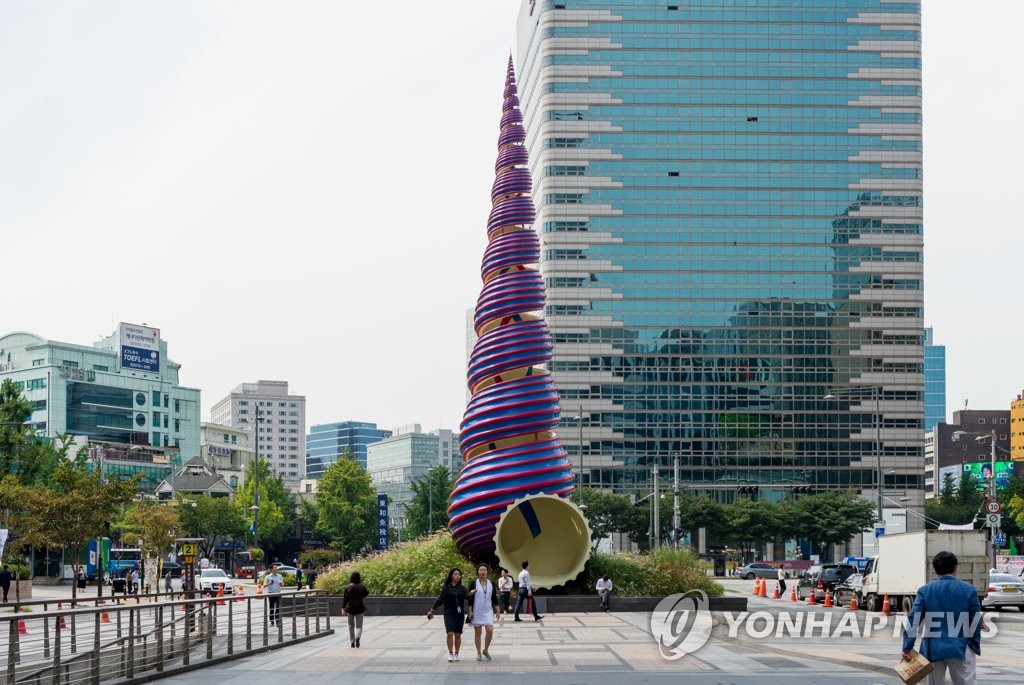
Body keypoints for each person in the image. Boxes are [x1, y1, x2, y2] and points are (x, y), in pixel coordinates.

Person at [901, 551, 982, 684]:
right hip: (961, 647)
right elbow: (975, 621)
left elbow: (913, 620)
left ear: (934, 569)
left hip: (933, 649)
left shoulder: (924, 591)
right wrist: (973, 645)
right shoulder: (969, 590)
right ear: (955, 568)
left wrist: (907, 647)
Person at [427, 567, 469, 662]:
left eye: (459, 574)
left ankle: (456, 654)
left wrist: (471, 594)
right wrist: (432, 610)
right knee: (450, 633)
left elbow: (467, 597)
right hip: (449, 614)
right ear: (451, 576)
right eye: (455, 574)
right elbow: (439, 600)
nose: (457, 576)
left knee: (458, 635)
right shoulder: (446, 589)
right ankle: (450, 653)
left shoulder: (462, 589)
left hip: (460, 614)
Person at [468, 564, 501, 661]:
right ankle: (478, 653)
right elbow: (470, 598)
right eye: (480, 570)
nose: (482, 572)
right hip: (477, 611)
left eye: (484, 570)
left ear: (487, 572)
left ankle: (485, 650)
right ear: (478, 572)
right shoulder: (473, 583)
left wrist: (498, 610)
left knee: (490, 631)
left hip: (488, 611)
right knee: (478, 633)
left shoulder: (491, 583)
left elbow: (494, 597)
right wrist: (470, 611)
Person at [342, 571, 369, 648]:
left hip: (350, 609)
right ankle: (358, 637)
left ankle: (352, 642)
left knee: (351, 626)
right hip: (360, 608)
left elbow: (345, 599)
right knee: (359, 626)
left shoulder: (347, 587)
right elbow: (365, 594)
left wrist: (343, 608)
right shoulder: (361, 586)